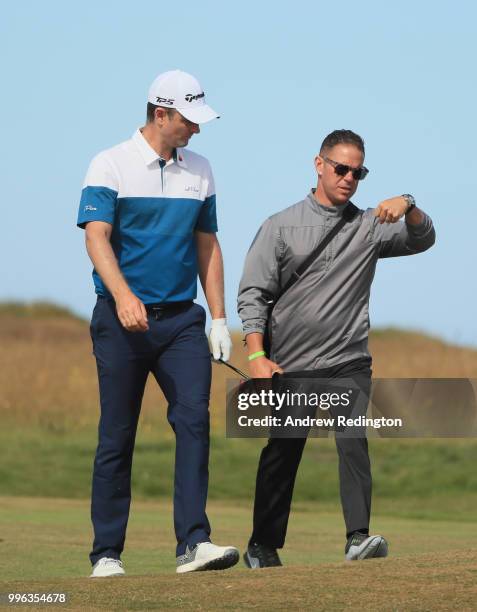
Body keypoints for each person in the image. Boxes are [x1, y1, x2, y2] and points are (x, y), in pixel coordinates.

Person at [237, 129, 435, 566]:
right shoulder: (280, 225)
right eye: (341, 168)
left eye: (358, 172)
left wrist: (410, 203)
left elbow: (423, 240)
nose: (349, 178)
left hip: (349, 360)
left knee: (352, 440)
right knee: (284, 451)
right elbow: (253, 294)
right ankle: (262, 545)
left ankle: (357, 538)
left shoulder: (370, 227)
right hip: (292, 364)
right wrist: (256, 356)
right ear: (319, 164)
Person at [77, 69, 239, 577]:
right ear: (161, 113)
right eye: (189, 120)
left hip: (182, 324)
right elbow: (97, 238)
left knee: (194, 422)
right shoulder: (110, 164)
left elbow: (206, 243)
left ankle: (194, 544)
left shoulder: (202, 169)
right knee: (117, 434)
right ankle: (107, 553)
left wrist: (218, 317)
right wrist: (123, 296)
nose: (196, 129)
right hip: (121, 321)